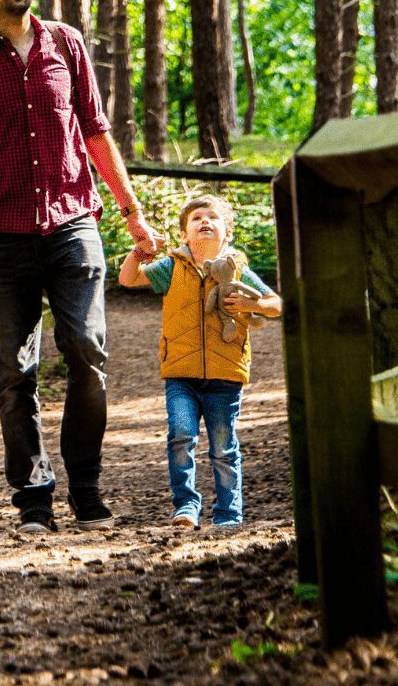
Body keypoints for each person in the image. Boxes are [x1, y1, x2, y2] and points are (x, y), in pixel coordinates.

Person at [0, 0, 162, 533]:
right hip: (2, 236)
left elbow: (95, 130)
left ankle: (86, 488)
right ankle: (33, 496)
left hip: (72, 224)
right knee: (15, 371)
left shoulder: (66, 43)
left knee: (88, 352)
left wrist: (133, 212)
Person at [117, 194, 281, 529]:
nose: (205, 222)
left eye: (213, 218)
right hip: (180, 372)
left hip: (225, 373)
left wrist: (253, 307)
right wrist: (139, 252)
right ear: (184, 234)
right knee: (181, 434)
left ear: (227, 233)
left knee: (223, 447)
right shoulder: (172, 267)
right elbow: (128, 279)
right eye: (196, 219)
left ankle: (228, 513)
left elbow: (275, 304)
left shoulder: (238, 270)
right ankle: (186, 506)